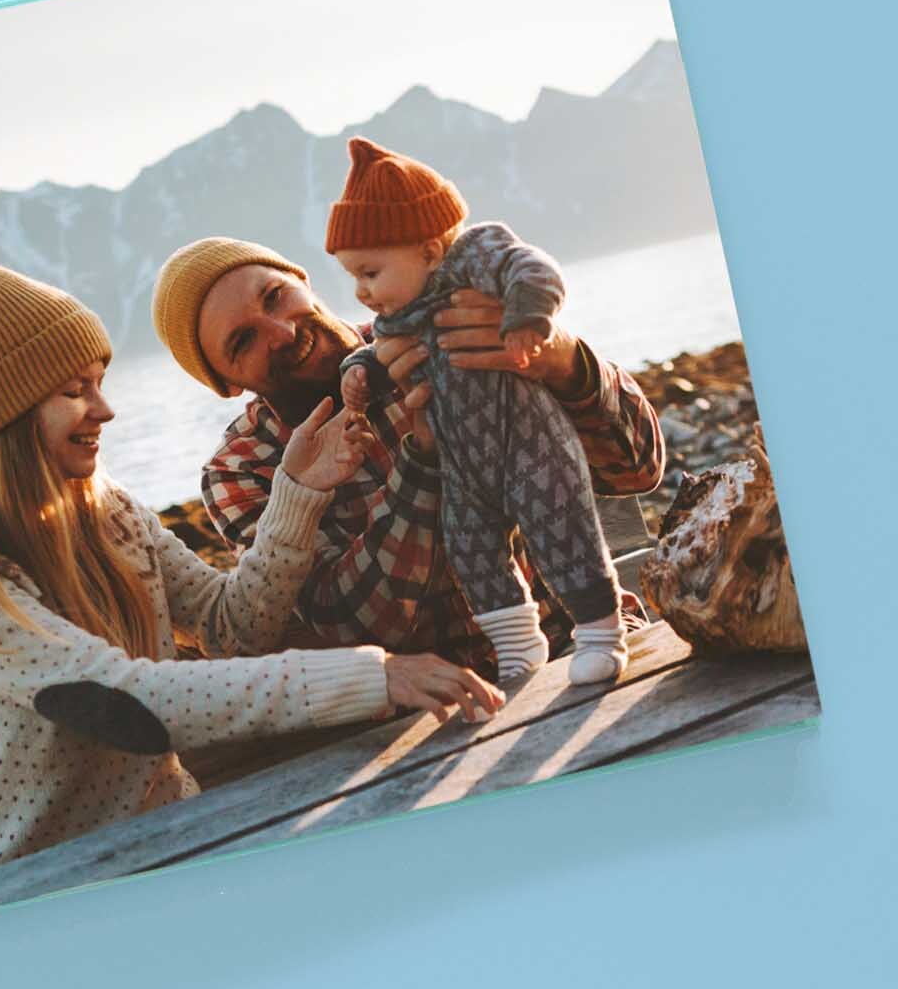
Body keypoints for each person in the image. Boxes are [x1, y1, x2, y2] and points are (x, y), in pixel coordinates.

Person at [0, 262, 503, 881]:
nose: (104, 410)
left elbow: (230, 626)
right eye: (75, 390)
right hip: (38, 889)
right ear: (8, 413)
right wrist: (376, 675)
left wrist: (296, 493)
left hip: (176, 841)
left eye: (99, 382)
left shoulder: (108, 511)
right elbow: (119, 699)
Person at [150, 205, 664, 682]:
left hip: (593, 643)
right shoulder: (242, 468)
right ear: (224, 383)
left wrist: (562, 359)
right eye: (243, 341)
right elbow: (353, 626)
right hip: (445, 714)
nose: (281, 332)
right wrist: (424, 463)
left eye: (274, 296)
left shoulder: (443, 320)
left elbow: (638, 469)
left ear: (303, 281)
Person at [326, 136, 627, 689]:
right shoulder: (400, 314)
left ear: (429, 250)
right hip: (463, 470)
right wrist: (357, 374)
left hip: (528, 443)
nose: (363, 293)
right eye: (353, 279)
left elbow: (532, 268)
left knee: (564, 529)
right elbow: (375, 350)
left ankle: (602, 635)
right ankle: (519, 646)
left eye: (370, 273)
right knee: (472, 552)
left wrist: (531, 321)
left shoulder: (473, 260)